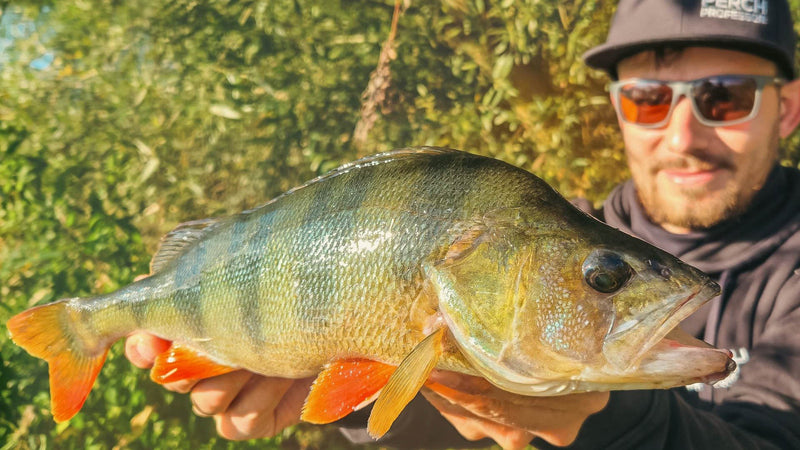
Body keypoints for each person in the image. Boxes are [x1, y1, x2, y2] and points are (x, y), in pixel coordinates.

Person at [125, 0, 800, 448]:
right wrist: (356, 385)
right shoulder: (556, 233)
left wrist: (603, 414)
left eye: (725, 98)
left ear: (789, 109)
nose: (684, 134)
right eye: (649, 99)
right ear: (620, 111)